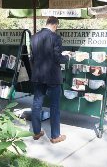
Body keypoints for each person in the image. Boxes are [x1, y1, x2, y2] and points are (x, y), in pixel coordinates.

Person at [31, 16, 70, 144]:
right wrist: (67, 57)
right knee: (54, 106)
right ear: (54, 25)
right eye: (57, 27)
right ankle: (55, 136)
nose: (56, 29)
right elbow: (57, 58)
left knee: (37, 104)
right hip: (52, 76)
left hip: (38, 76)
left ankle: (36, 132)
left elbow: (33, 58)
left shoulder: (34, 37)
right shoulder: (55, 37)